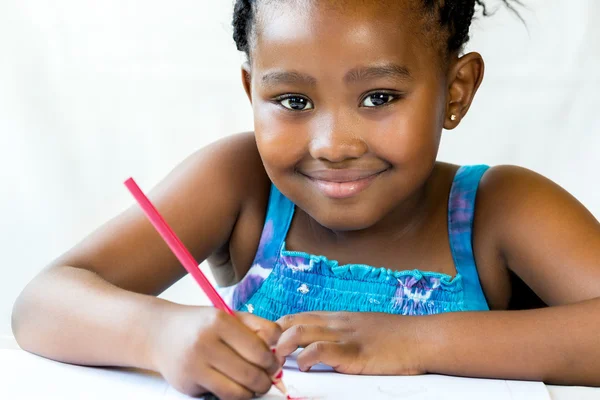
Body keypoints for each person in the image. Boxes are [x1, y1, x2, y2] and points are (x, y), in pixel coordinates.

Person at [12, 1, 600, 399]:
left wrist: (416, 342)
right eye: (293, 101)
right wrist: (160, 336)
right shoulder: (241, 183)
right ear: (252, 90)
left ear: (456, 88)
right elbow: (41, 305)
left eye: (379, 96)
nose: (334, 145)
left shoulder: (500, 209)